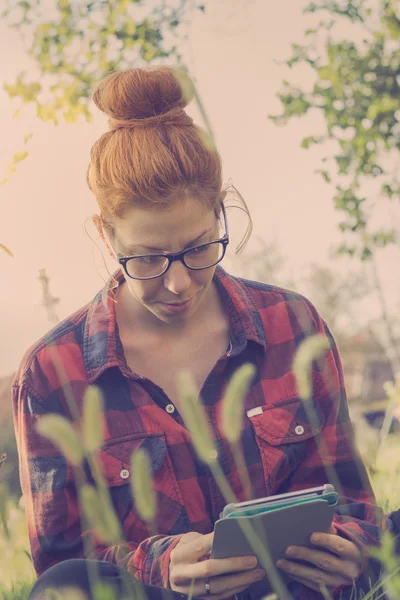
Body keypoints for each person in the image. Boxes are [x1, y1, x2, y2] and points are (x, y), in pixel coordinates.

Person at [13, 66, 384, 600]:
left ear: (220, 211)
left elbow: (354, 503)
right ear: (104, 233)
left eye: (198, 247)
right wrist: (157, 567)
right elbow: (61, 561)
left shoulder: (293, 324)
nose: (179, 283)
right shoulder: (53, 371)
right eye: (148, 258)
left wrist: (350, 545)